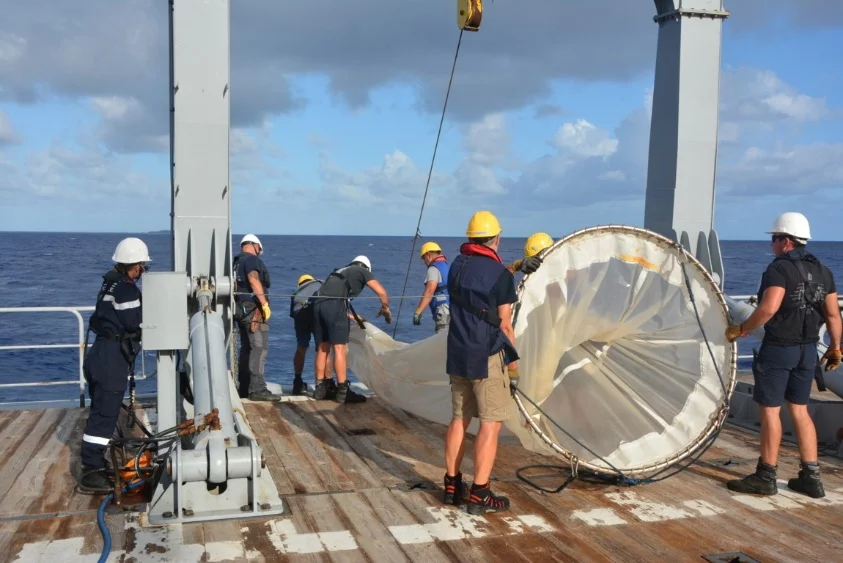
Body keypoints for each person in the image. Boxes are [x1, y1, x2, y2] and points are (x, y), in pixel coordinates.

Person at [725, 212, 841, 499]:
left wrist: (741, 329)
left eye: (775, 239)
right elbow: (832, 315)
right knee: (800, 410)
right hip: (807, 351)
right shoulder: (824, 271)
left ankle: (765, 476)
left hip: (779, 349)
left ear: (786, 241)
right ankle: (811, 478)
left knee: (770, 411)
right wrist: (836, 347)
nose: (772, 244)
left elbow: (768, 308)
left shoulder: (778, 269)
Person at [444, 210, 520, 515]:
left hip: (457, 352)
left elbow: (476, 287)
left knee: (459, 419)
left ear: (470, 238)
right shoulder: (501, 274)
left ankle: (452, 486)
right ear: (497, 239)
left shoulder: (455, 266)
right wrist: (513, 368)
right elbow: (506, 326)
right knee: (490, 423)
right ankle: (480, 494)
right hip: (486, 356)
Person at [78, 237, 150, 494]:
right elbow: (134, 322)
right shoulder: (127, 290)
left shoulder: (110, 283)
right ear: (137, 265)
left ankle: (94, 461)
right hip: (111, 358)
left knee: (100, 410)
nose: (143, 270)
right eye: (143, 266)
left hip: (99, 352)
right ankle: (92, 471)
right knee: (105, 416)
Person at [311, 256, 391, 404]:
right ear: (366, 267)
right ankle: (343, 391)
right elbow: (381, 292)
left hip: (317, 305)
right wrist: (385, 308)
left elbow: (330, 296)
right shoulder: (362, 271)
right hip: (335, 305)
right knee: (339, 348)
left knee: (322, 348)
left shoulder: (339, 271)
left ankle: (320, 389)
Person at [233, 234, 281, 401]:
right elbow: (253, 279)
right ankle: (258, 389)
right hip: (253, 310)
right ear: (254, 245)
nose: (259, 252)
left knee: (247, 348)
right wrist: (264, 304)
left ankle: (244, 387)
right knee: (259, 348)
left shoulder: (235, 263)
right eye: (259, 249)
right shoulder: (251, 259)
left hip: (239, 310)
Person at [290, 274, 323, 395]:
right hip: (316, 313)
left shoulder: (297, 292)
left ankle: (297, 382)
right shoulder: (319, 284)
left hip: (300, 315)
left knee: (301, 347)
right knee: (322, 349)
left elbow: (293, 314)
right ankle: (321, 384)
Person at [413, 241, 451, 333]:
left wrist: (418, 311)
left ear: (428, 255)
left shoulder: (434, 268)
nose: (424, 261)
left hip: (443, 310)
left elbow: (429, 291)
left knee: (441, 337)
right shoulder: (447, 266)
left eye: (424, 258)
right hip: (452, 307)